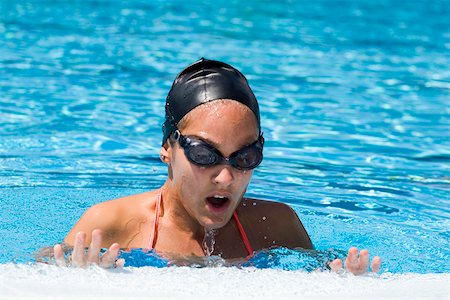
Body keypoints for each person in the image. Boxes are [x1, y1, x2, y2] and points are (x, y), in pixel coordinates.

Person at [53, 58, 381, 274]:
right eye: (204, 154)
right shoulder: (109, 224)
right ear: (168, 147)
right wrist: (77, 278)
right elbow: (36, 270)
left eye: (244, 158)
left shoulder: (278, 226)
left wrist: (345, 281)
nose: (225, 177)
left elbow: (323, 270)